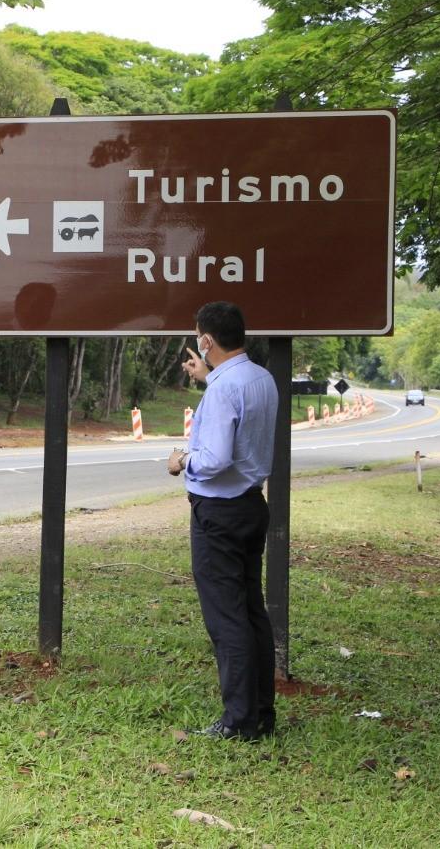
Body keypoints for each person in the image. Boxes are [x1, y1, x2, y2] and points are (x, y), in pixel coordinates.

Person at [168, 301, 279, 740]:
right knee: (252, 612)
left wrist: (181, 461)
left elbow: (213, 459)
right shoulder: (261, 378)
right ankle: (261, 713)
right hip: (251, 505)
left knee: (226, 619)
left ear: (206, 340)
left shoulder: (223, 390)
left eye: (199, 337)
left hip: (219, 513)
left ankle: (237, 722)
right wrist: (206, 376)